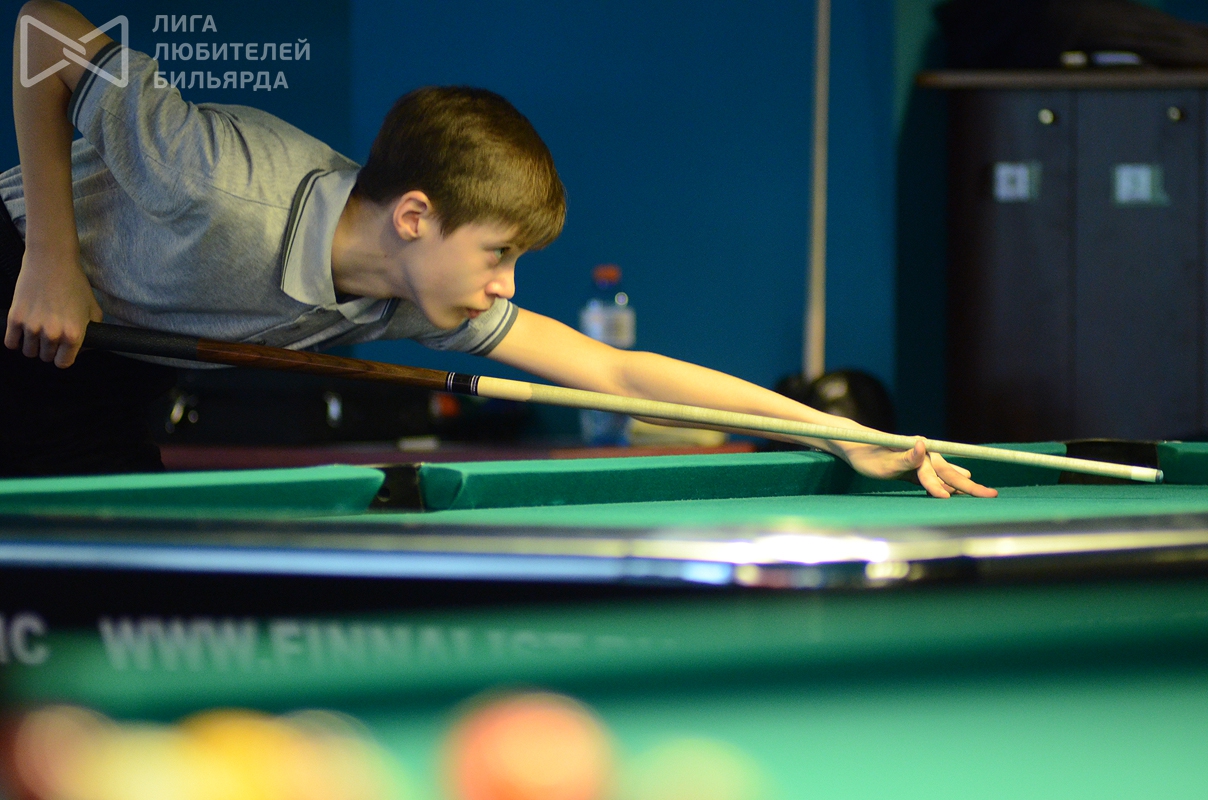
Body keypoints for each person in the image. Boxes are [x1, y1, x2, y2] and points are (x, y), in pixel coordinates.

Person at [2, 0, 995, 498]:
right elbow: (45, 32)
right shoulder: (216, 177)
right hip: (17, 273)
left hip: (106, 363)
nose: (505, 286)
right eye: (498, 253)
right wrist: (51, 255)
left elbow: (616, 370)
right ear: (415, 217)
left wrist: (833, 431)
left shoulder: (406, 292)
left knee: (125, 552)